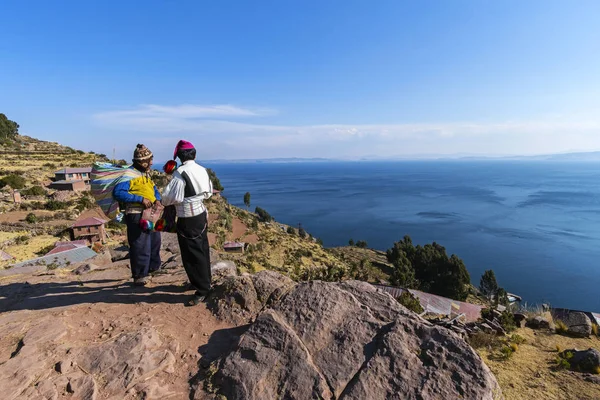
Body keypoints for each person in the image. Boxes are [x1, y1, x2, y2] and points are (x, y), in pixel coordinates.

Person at [162, 140, 213, 306]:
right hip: (200, 213)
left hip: (187, 217)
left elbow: (170, 197)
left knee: (191, 253)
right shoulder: (202, 170)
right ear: (194, 154)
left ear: (179, 156)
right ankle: (204, 281)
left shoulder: (180, 173)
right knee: (202, 249)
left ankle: (202, 289)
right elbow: (209, 192)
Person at [113, 144, 162, 286]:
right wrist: (140, 199)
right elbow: (119, 193)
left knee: (154, 241)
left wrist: (157, 199)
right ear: (141, 161)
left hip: (150, 213)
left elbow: (153, 188)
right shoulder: (129, 175)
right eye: (149, 160)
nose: (152, 163)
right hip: (136, 214)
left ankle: (153, 267)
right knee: (140, 244)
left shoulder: (145, 173)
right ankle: (140, 275)